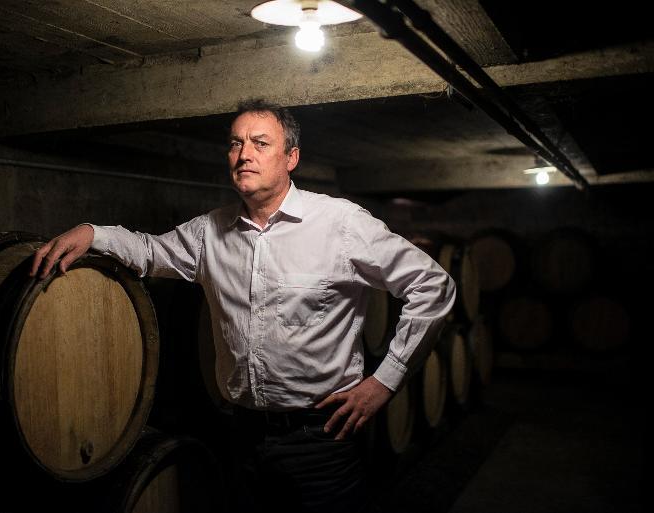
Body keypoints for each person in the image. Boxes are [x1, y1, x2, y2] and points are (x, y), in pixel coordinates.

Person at [30, 99, 455, 513]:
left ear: (291, 157)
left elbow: (432, 286)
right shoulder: (210, 231)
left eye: (260, 143)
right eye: (236, 143)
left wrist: (385, 381)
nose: (244, 154)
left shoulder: (340, 223)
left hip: (321, 436)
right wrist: (93, 232)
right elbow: (150, 250)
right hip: (242, 432)